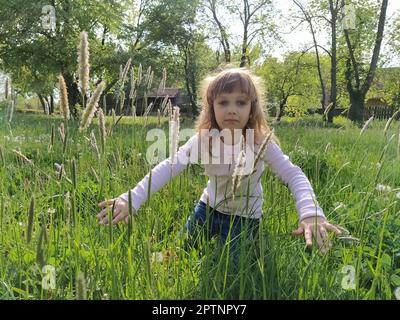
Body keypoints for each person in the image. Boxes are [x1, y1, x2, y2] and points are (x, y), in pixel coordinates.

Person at [96, 67, 342, 255]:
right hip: (206, 209)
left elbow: (293, 174)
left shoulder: (260, 143)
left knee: (231, 265)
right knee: (181, 251)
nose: (232, 109)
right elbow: (169, 166)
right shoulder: (204, 140)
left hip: (244, 220)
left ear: (252, 107)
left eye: (241, 102)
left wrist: (311, 212)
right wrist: (132, 198)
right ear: (211, 107)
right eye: (223, 102)